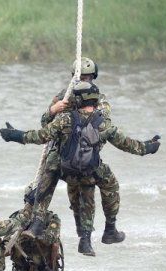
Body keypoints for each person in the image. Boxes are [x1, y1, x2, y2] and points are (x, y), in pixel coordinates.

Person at [0, 80, 160, 256]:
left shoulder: (65, 119)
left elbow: (40, 136)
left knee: (48, 173)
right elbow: (129, 145)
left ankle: (37, 223)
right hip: (88, 171)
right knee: (108, 186)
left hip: (63, 168)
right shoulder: (103, 124)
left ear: (77, 100)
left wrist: (14, 135)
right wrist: (149, 147)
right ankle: (100, 234)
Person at [40, 57, 126, 253]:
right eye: (82, 77)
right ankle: (89, 232)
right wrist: (54, 110)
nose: (86, 80)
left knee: (87, 193)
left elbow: (102, 123)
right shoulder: (63, 97)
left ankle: (91, 235)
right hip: (67, 156)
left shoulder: (98, 99)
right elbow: (45, 124)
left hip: (85, 155)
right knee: (76, 194)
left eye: (88, 77)